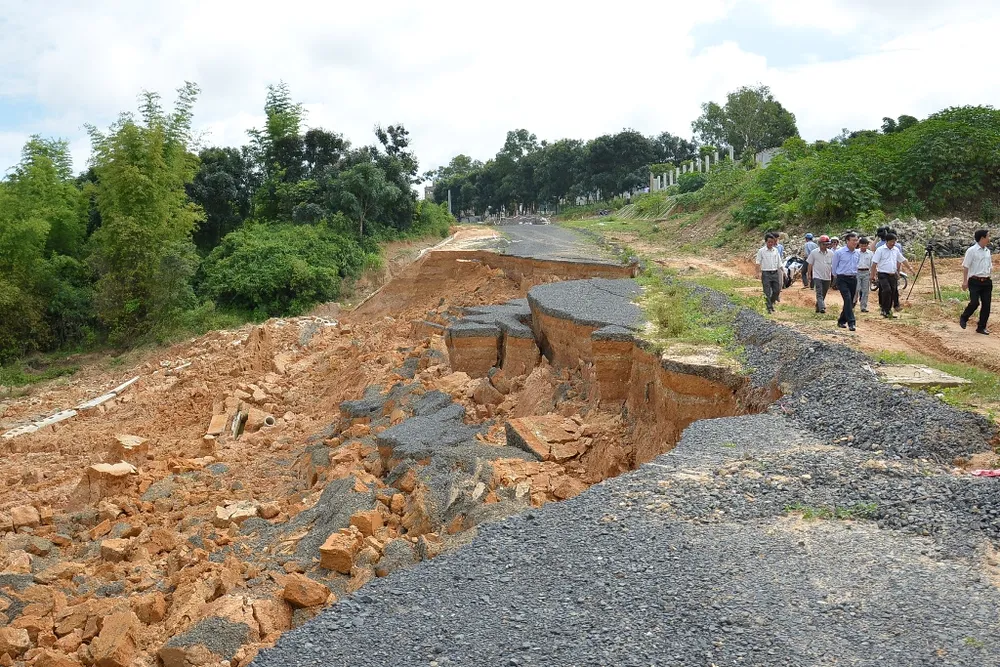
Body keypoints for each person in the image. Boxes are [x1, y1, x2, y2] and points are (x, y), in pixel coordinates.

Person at [960, 229, 993, 335]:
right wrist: (965, 281)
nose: (989, 239)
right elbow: (966, 266)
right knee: (975, 302)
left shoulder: (987, 251)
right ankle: (964, 317)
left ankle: (981, 327)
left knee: (986, 305)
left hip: (986, 282)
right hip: (974, 281)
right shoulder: (971, 251)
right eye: (988, 236)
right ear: (982, 238)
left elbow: (989, 265)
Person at [871, 233, 910, 318]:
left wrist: (910, 268)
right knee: (887, 290)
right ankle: (884, 309)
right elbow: (874, 263)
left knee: (893, 292)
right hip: (883, 274)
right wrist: (872, 275)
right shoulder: (880, 250)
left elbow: (902, 259)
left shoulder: (895, 250)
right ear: (887, 241)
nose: (893, 243)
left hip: (893, 275)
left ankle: (887, 310)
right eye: (892, 242)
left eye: (894, 242)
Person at [832, 232, 860, 331]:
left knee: (850, 302)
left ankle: (841, 321)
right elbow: (834, 267)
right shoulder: (839, 252)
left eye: (856, 240)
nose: (855, 242)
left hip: (853, 278)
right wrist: (837, 278)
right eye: (853, 240)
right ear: (847, 241)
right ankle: (851, 322)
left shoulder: (857, 253)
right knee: (847, 299)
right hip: (842, 278)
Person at [755, 232, 782, 314]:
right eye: (769, 242)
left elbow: (779, 262)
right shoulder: (761, 251)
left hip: (775, 272)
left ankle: (772, 302)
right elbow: (758, 262)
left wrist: (783, 271)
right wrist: (757, 273)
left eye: (772, 242)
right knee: (767, 291)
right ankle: (769, 307)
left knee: (776, 291)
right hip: (766, 273)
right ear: (766, 242)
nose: (771, 243)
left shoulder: (775, 251)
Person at [807, 235, 834, 313]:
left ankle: (818, 307)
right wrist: (809, 274)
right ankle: (822, 307)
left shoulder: (831, 253)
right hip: (817, 275)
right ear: (819, 244)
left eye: (827, 244)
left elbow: (834, 264)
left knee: (824, 293)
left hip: (827, 276)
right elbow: (810, 264)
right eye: (823, 244)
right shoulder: (814, 252)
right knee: (819, 292)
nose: (825, 246)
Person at [856, 237, 874, 312]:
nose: (863, 247)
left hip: (866, 272)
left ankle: (863, 307)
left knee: (865, 290)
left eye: (865, 245)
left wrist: (872, 274)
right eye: (862, 245)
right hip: (857, 272)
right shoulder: (855, 252)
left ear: (867, 245)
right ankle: (852, 304)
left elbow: (872, 264)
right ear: (859, 245)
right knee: (856, 289)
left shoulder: (870, 253)